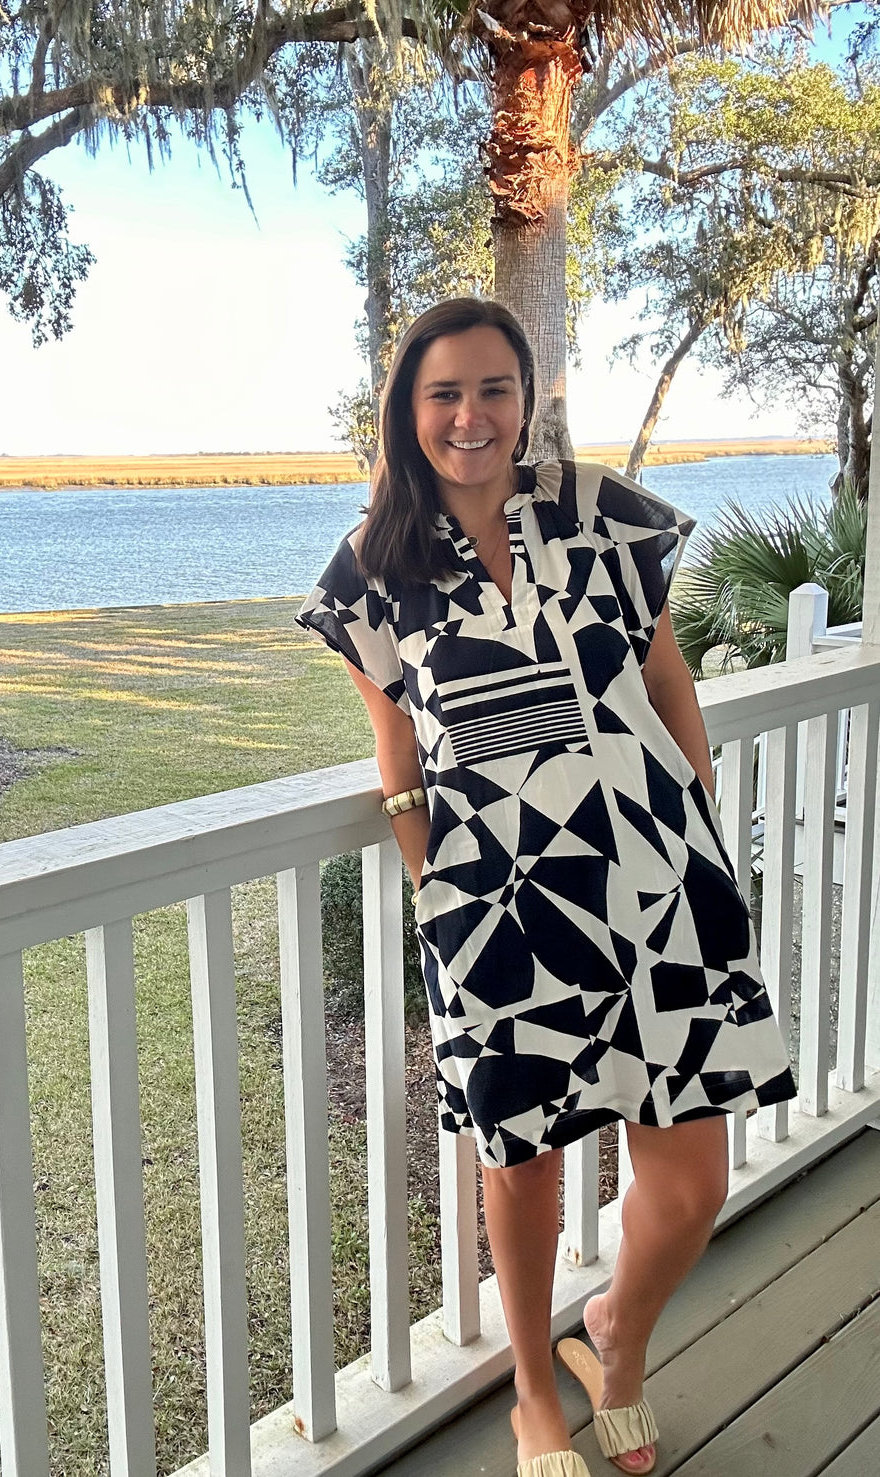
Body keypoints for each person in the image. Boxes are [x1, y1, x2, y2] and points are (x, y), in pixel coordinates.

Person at [296, 298, 796, 1477]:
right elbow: (397, 745)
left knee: (692, 1170)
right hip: (499, 901)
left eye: (493, 390)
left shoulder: (598, 514)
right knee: (519, 1163)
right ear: (406, 412)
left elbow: (666, 680)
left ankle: (614, 1336)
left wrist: (702, 831)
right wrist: (435, 883)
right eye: (443, 393)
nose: (470, 416)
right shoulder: (372, 571)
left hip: (660, 875)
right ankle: (533, 1390)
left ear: (526, 401)